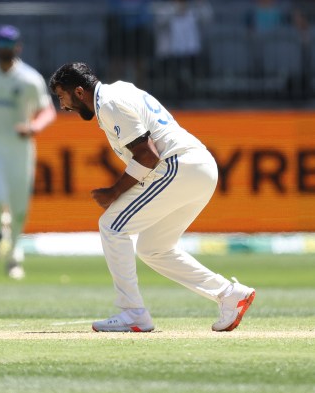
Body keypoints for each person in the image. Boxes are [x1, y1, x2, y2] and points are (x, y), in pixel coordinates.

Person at [48, 62, 255, 332]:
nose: (63, 107)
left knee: (112, 226)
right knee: (153, 248)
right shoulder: (119, 90)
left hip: (179, 166)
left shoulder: (109, 103)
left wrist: (114, 192)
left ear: (78, 91)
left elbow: (148, 156)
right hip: (199, 167)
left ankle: (133, 314)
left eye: (62, 97)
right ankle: (229, 294)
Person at [0, 25, 56, 279]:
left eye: (9, 45)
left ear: (18, 47)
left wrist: (33, 127)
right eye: (0, 44)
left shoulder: (29, 79)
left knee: (18, 205)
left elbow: (47, 110)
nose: (4, 49)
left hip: (20, 148)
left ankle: (15, 253)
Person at [103, 0, 165, 88]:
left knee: (140, 64)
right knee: (117, 64)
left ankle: (140, 96)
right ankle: (113, 97)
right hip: (119, 24)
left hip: (139, 25)